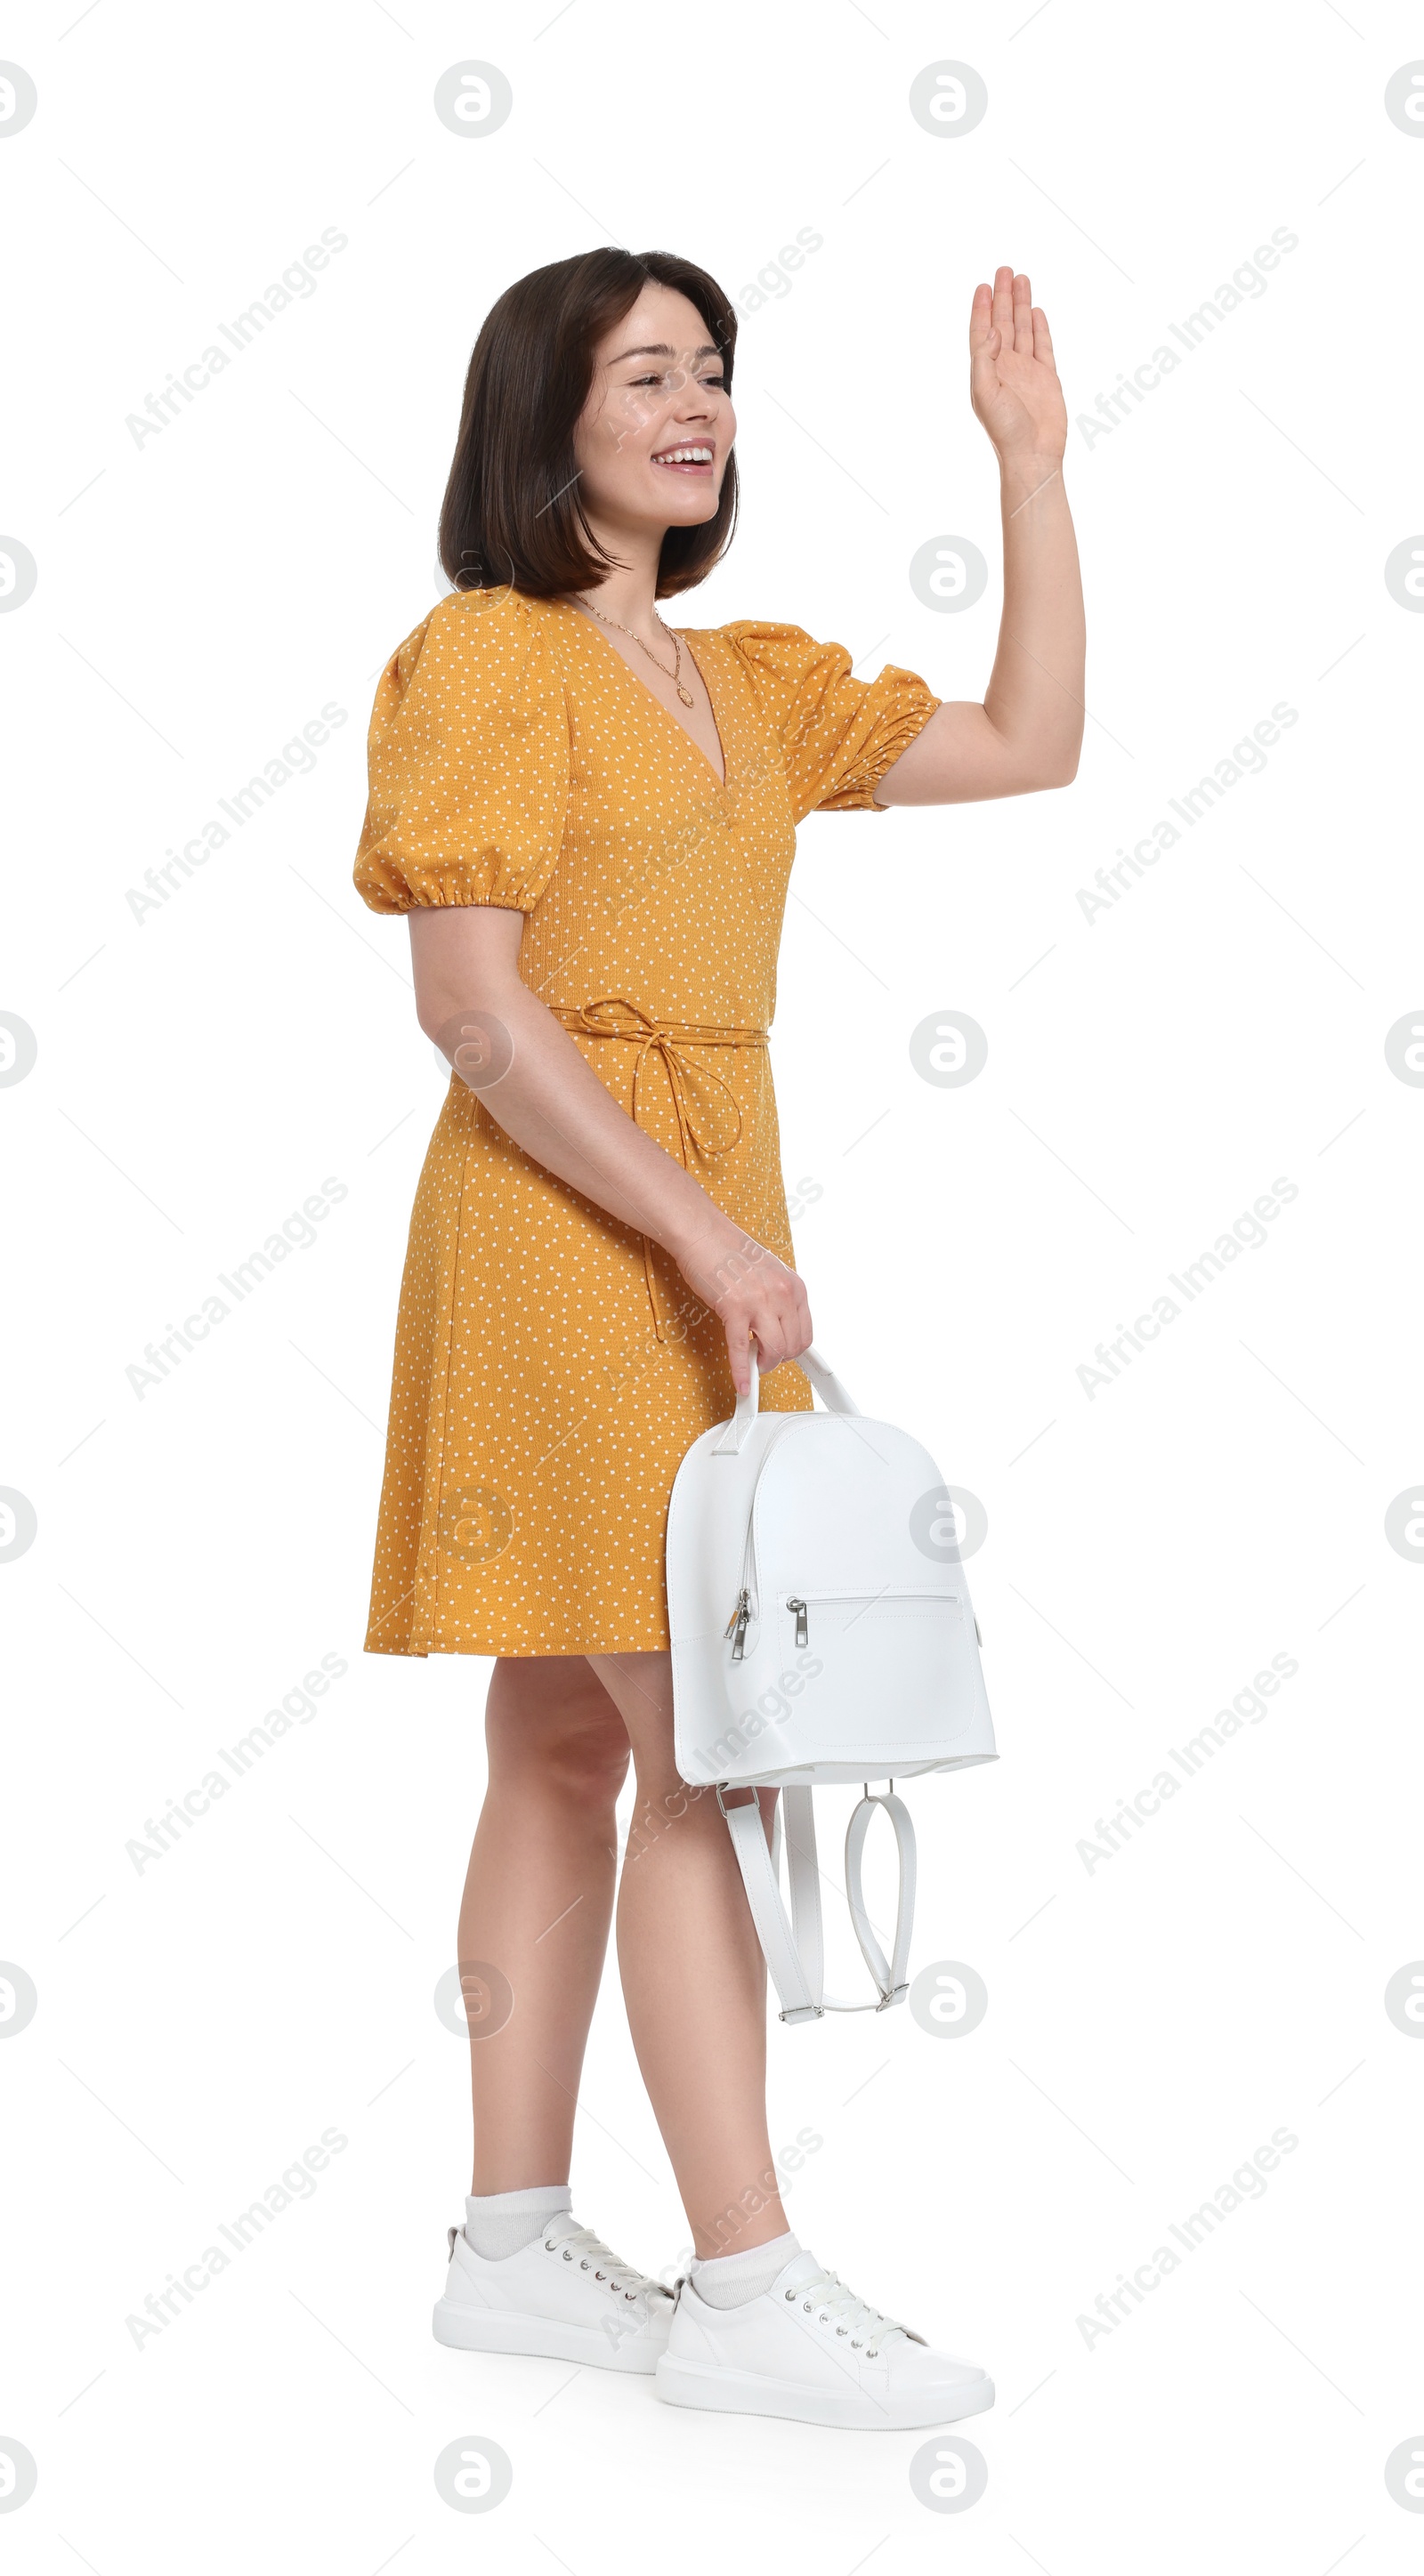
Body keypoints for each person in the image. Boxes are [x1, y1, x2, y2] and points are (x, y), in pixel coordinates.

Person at [352, 246, 1083, 2428]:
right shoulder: (485, 658)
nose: (695, 404)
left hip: (693, 1228)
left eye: (716, 374)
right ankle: (747, 2276)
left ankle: (506, 2245)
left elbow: (1030, 742)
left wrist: (1027, 466)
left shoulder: (740, 684)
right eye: (646, 370)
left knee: (562, 1740)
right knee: (699, 1737)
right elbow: (472, 1010)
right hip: (565, 1226)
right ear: (544, 412)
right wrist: (702, 1236)